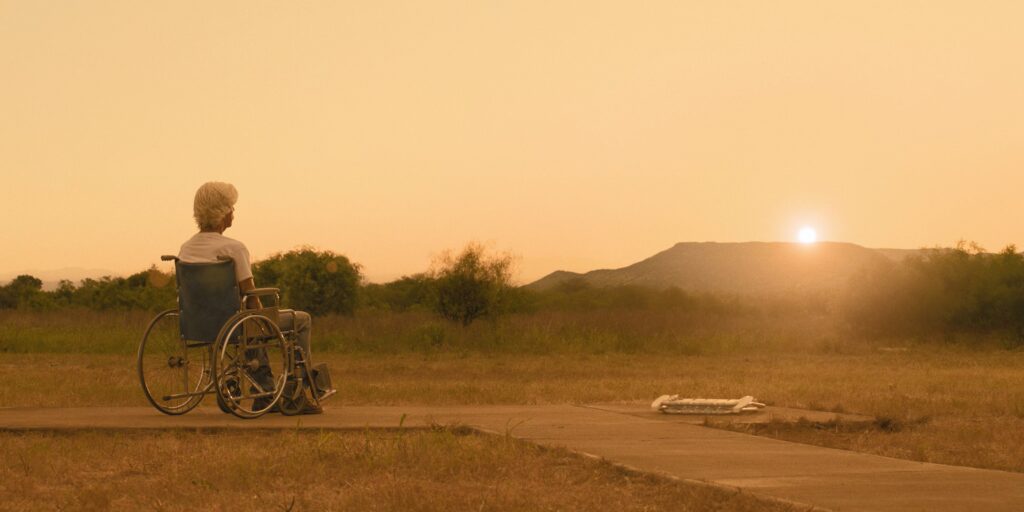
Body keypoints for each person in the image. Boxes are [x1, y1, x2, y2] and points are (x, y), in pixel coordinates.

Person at [178, 181, 318, 412]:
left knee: (249, 322)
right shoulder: (234, 249)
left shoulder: (186, 249)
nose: (234, 212)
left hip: (198, 324)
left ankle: (264, 388)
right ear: (222, 213)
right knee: (298, 320)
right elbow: (251, 295)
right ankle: (296, 390)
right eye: (232, 207)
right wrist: (265, 318)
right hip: (236, 324)